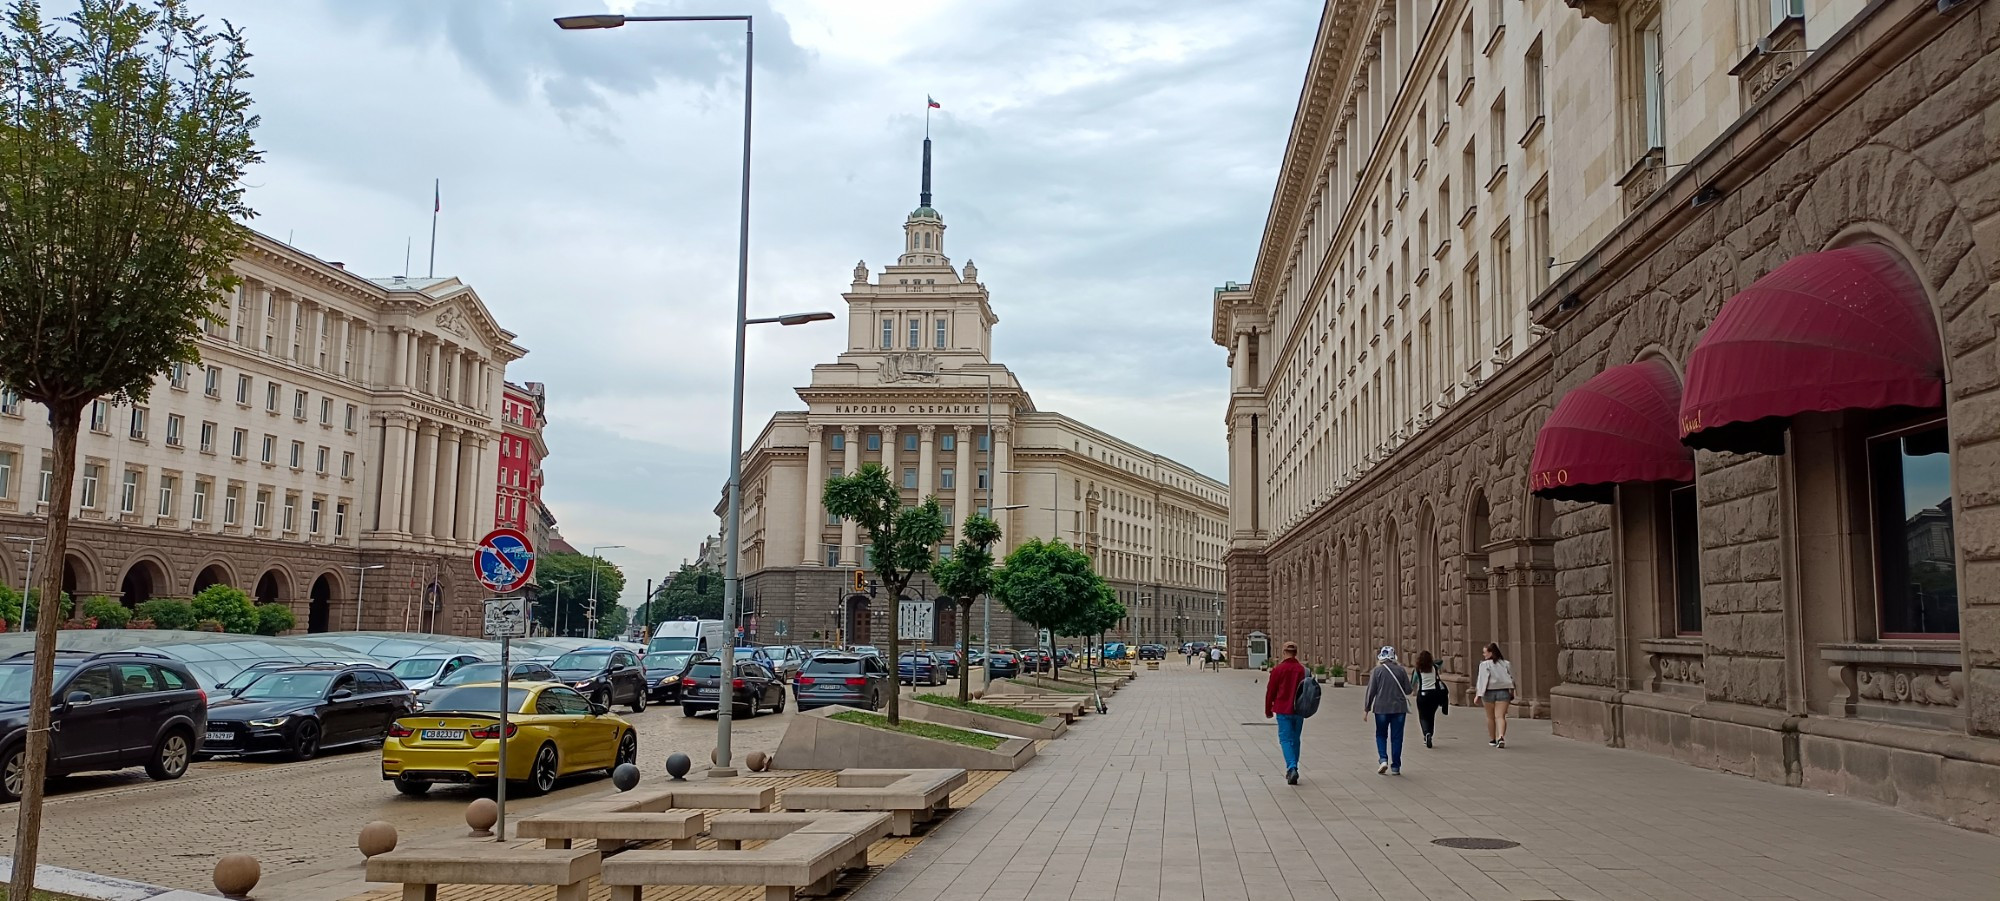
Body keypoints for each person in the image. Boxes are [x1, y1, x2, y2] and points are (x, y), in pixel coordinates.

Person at [1263, 641, 1308, 784]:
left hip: (1283, 709)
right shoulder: (1303, 670)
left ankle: (1291, 767)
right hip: (1299, 710)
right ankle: (1294, 767)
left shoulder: (1278, 670)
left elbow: (1271, 691)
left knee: (1285, 739)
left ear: (1284, 652)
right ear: (1296, 653)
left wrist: (1268, 709)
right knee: (1295, 739)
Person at [1363, 646, 1412, 775]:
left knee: (1381, 734)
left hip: (1381, 708)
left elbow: (1371, 691)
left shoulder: (1376, 671)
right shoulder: (1401, 670)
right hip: (1399, 708)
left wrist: (1366, 709)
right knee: (1397, 737)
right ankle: (1396, 767)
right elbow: (1408, 690)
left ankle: (1383, 759)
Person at [1473, 642, 1515, 748]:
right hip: (1504, 691)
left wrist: (1478, 695)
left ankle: (1492, 739)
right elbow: (1512, 678)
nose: (1484, 655)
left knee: (1490, 717)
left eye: (1485, 653)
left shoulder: (1484, 665)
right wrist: (1513, 691)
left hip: (1488, 692)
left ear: (1491, 653)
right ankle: (1500, 736)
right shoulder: (1506, 663)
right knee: (1500, 716)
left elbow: (1482, 680)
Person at [1411, 650, 1448, 748]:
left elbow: (1412, 683)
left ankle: (1426, 733)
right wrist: (1431, 662)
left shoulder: (1417, 670)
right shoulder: (1434, 667)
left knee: (1423, 716)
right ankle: (1430, 734)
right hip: (1434, 695)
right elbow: (1440, 661)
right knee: (1431, 716)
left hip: (1422, 695)